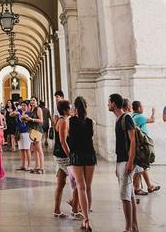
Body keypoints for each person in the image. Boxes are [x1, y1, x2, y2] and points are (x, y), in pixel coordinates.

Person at [108, 93, 139, 232]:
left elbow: (133, 141)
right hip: (121, 160)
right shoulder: (118, 119)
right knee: (130, 195)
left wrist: (130, 162)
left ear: (114, 103)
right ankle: (134, 227)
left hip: (127, 161)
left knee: (124, 196)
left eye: (109, 102)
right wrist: (117, 165)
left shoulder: (126, 118)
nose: (108, 105)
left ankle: (128, 228)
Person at [68, 96, 96, 231]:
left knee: (81, 187)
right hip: (89, 154)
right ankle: (88, 217)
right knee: (88, 187)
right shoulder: (91, 122)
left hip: (77, 155)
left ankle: (85, 219)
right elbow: (91, 136)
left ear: (75, 108)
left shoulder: (70, 121)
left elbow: (69, 137)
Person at [131, 100, 160, 195]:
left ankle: (149, 186)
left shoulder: (132, 116)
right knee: (141, 167)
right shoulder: (139, 117)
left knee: (142, 167)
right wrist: (153, 112)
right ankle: (137, 188)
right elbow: (152, 120)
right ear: (139, 108)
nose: (143, 108)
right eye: (142, 107)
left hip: (138, 145)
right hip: (142, 145)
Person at [53, 99, 71, 219]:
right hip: (63, 156)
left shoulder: (60, 120)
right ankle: (75, 206)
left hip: (58, 154)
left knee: (61, 183)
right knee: (77, 182)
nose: (71, 109)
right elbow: (63, 141)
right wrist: (71, 155)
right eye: (70, 107)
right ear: (65, 110)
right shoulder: (63, 121)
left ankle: (57, 210)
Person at [11, 101, 31, 171]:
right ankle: (23, 165)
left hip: (26, 133)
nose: (23, 107)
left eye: (24, 105)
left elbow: (26, 119)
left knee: (27, 149)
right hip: (19, 133)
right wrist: (15, 112)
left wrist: (23, 116)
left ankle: (29, 165)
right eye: (22, 105)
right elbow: (11, 114)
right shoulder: (19, 111)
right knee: (22, 149)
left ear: (28, 106)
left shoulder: (29, 113)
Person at [27, 97, 45, 173]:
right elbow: (30, 120)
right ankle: (37, 166)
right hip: (32, 131)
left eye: (34, 100)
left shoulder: (38, 109)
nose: (32, 101)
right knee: (35, 150)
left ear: (37, 102)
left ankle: (42, 168)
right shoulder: (31, 109)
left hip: (37, 131)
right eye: (31, 100)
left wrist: (32, 119)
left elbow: (41, 120)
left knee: (39, 150)